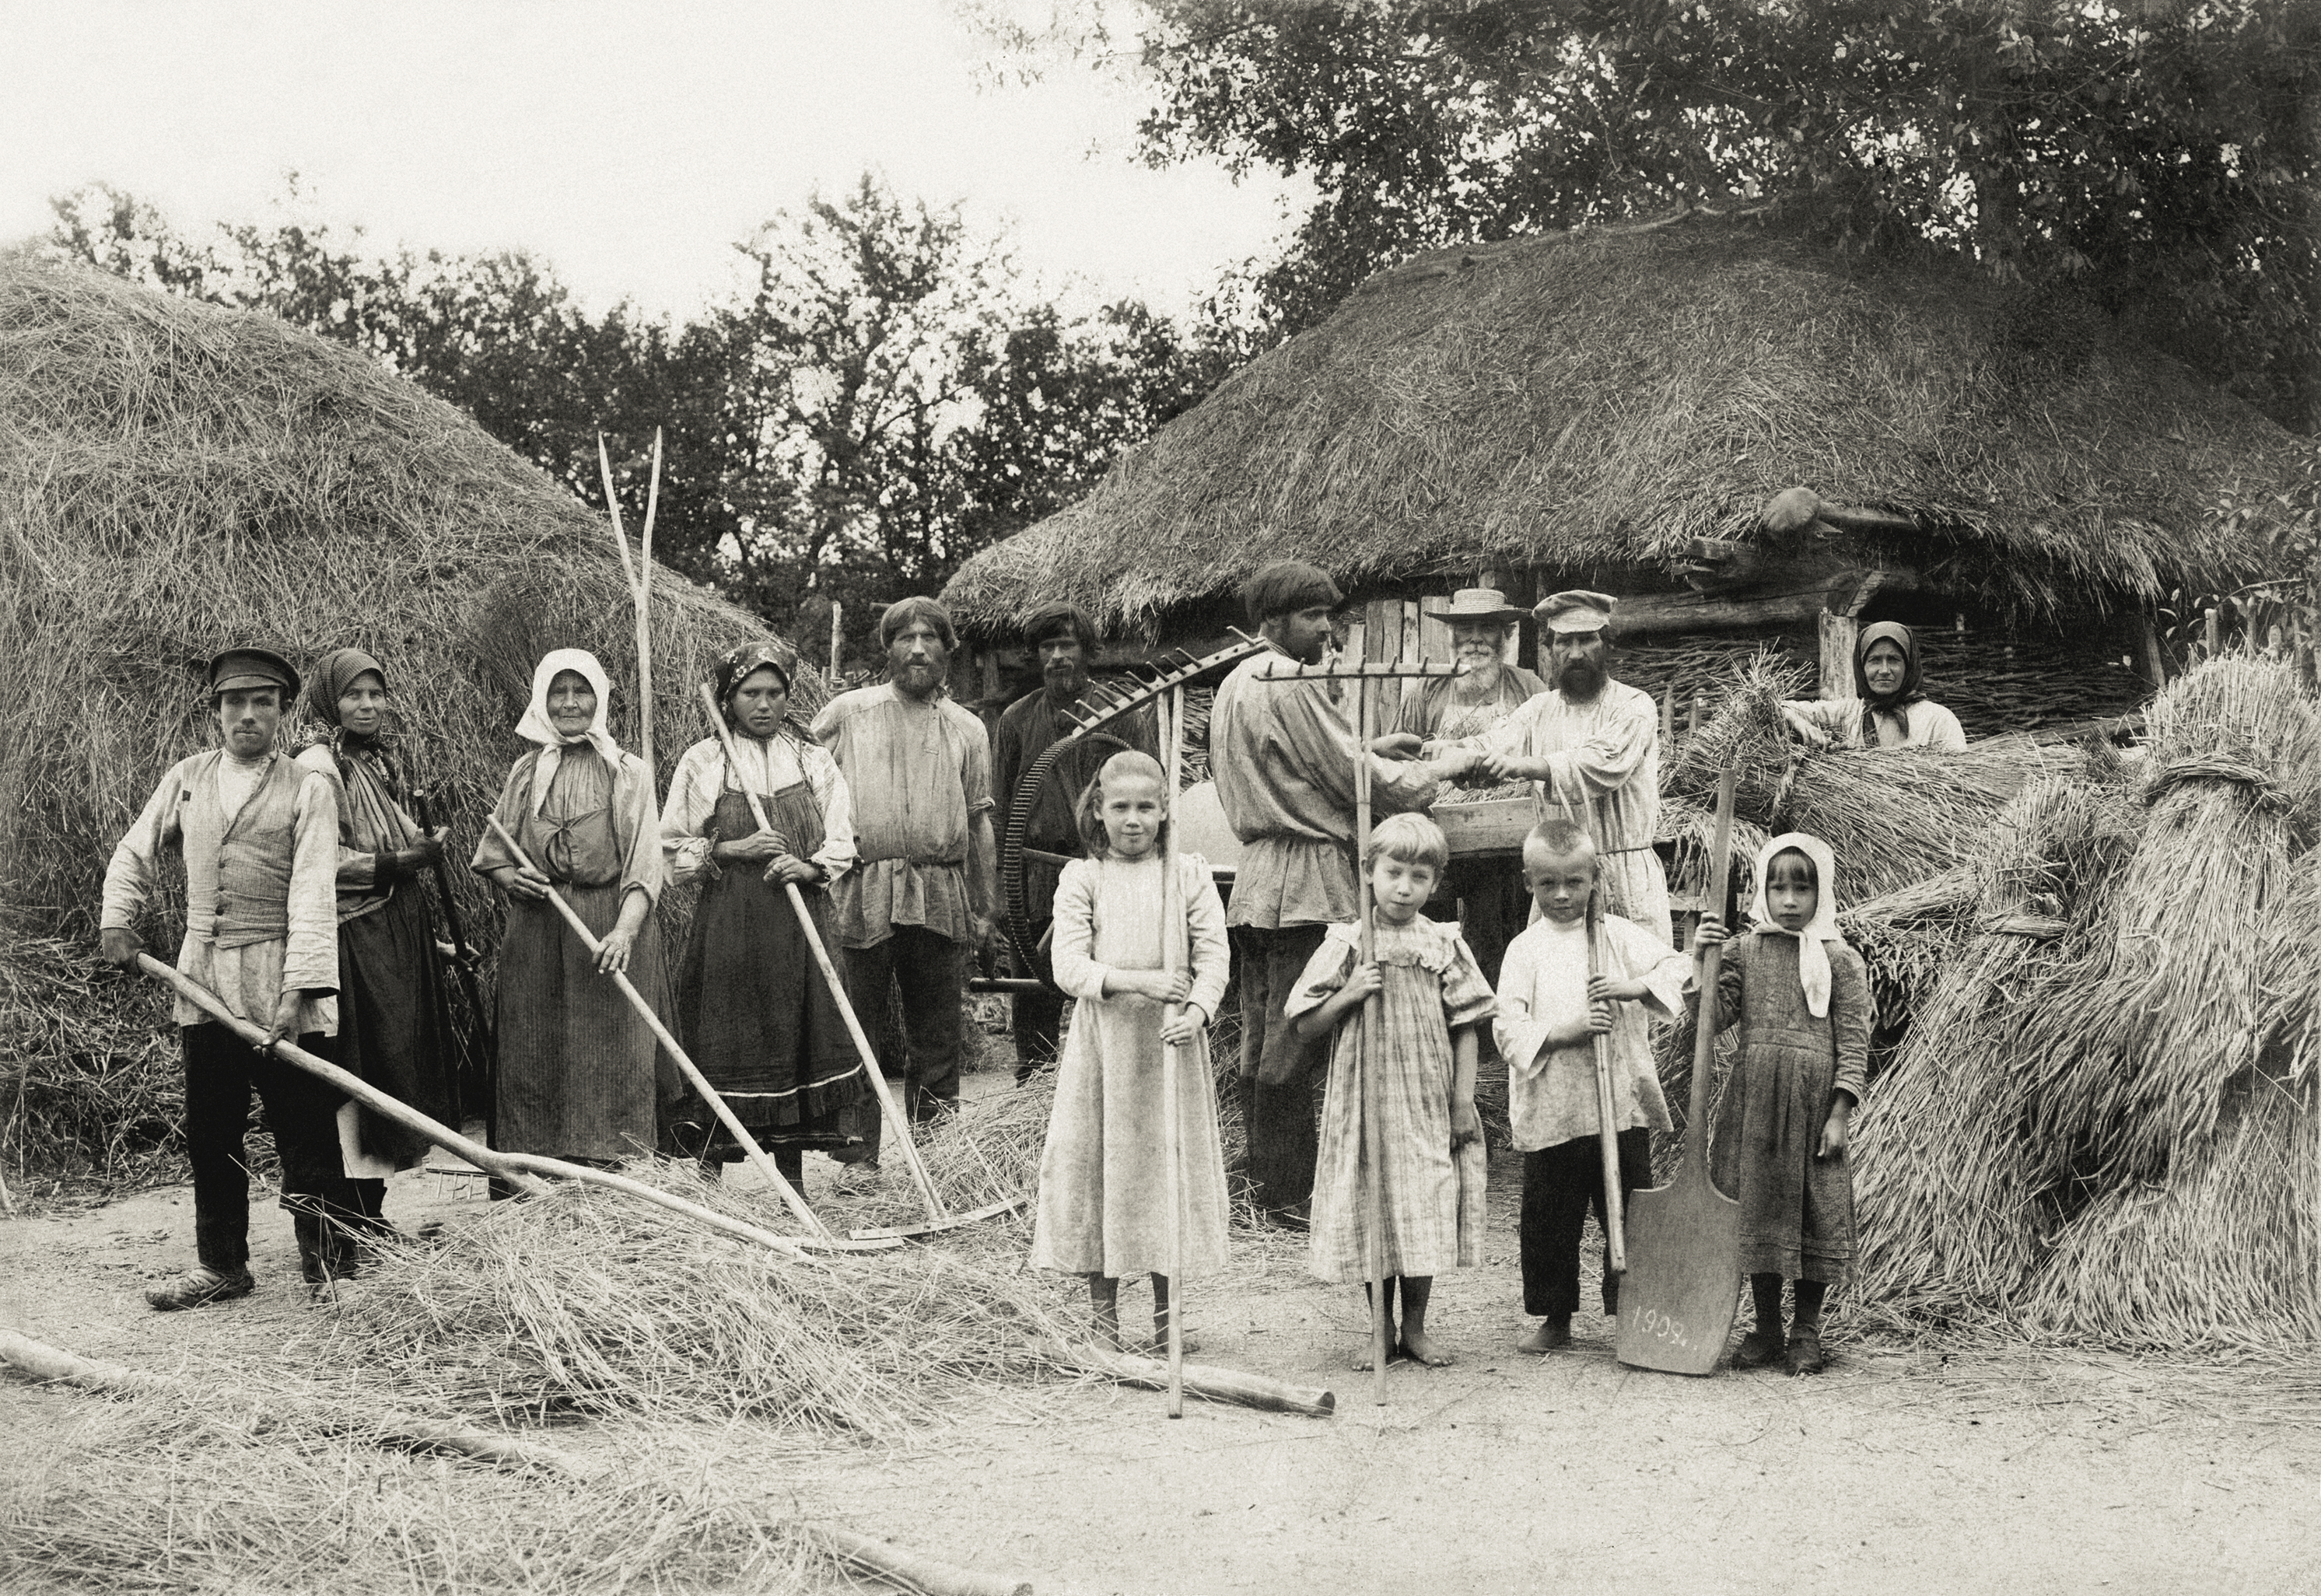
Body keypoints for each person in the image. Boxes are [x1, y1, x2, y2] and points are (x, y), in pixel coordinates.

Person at [100, 647, 353, 1307]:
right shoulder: (187, 778)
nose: (247, 715)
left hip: (280, 973)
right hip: (204, 977)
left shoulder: (308, 787)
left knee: (304, 1127)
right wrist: (117, 919)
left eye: (262, 703)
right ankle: (222, 1266)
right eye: (234, 703)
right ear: (215, 711)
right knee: (212, 1129)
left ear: (282, 711)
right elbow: (134, 850)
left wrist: (298, 991)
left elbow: (313, 893)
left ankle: (328, 1268)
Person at [1210, 561, 1455, 1224]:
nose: (1326, 628)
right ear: (1276, 620)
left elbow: (1290, 759)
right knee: (1297, 1032)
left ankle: (1263, 1178)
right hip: (1306, 879)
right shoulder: (1289, 678)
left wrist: (1374, 745)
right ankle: (1289, 1192)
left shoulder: (1237, 680)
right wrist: (1440, 769)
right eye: (1312, 615)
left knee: (1261, 1033)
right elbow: (1352, 778)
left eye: (1327, 614)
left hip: (1257, 879)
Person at [1029, 750, 1231, 1351]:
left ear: (1166, 810)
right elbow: (1068, 966)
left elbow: (1214, 955)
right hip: (1106, 1048)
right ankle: (1104, 1319)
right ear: (1098, 809)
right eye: (1120, 808)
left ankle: (1168, 1320)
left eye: (1146, 807)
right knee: (1102, 1169)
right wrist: (1141, 982)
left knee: (1165, 1172)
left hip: (1170, 1048)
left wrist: (1196, 1011)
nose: (1134, 820)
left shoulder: (1187, 874)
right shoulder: (1084, 877)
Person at [1286, 813, 1493, 1369]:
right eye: (1393, 873)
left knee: (1423, 1203)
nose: (1404, 888)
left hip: (1426, 1097)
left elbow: (1467, 1026)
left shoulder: (1442, 943)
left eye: (1419, 877)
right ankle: (1379, 1328)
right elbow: (1304, 1024)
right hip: (1366, 1098)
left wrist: (1462, 1101)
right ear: (1368, 872)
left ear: (1436, 883)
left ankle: (1416, 1327)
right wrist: (1350, 991)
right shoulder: (1349, 942)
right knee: (1373, 1204)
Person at [660, 640, 866, 1190]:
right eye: (751, 693)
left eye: (775, 693)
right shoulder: (705, 761)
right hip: (729, 931)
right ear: (729, 699)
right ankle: (708, 1182)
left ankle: (792, 1183)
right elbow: (669, 851)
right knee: (724, 1041)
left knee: (794, 1043)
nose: (764, 704)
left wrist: (809, 867)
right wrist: (732, 849)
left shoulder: (812, 759)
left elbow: (844, 840)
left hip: (799, 931)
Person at [811, 596, 997, 1185]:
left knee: (936, 1030)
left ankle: (936, 1157)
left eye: (929, 638)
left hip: (940, 889)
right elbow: (804, 785)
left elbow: (979, 819)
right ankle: (858, 1157)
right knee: (857, 1026)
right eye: (905, 638)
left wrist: (986, 905)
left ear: (948, 650)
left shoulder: (967, 728)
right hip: (862, 886)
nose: (917, 649)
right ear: (887, 649)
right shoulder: (848, 713)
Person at [1491, 819, 1689, 1352]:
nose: (1562, 895)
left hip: (1619, 1105)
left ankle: (1632, 1312)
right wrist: (1566, 1032)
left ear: (1595, 879)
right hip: (1554, 1110)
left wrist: (1631, 987)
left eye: (1574, 882)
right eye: (1548, 883)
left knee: (1629, 1212)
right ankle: (1555, 1316)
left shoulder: (1616, 936)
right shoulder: (1525, 949)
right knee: (1550, 1219)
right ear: (1528, 882)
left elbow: (1679, 968)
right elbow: (1506, 1027)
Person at [472, 649, 674, 1173]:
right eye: (557, 692)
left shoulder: (627, 772)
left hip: (606, 928)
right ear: (541, 700)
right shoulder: (527, 770)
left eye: (580, 691)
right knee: (534, 1050)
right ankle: (537, 1171)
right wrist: (513, 878)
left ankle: (612, 1173)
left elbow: (644, 866)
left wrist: (623, 933)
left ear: (599, 698)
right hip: (537, 930)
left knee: (611, 1052)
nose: (568, 703)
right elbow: (493, 854)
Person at [1686, 832, 1871, 1377]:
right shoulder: (1746, 950)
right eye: (1778, 888)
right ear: (1762, 892)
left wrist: (1839, 1113)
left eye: (1802, 889)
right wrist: (1701, 958)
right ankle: (1766, 1327)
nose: (1790, 901)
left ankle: (1806, 1330)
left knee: (1815, 1210)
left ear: (1822, 892)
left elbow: (1854, 1043)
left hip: (1812, 1107)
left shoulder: (1841, 961)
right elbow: (1711, 1018)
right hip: (1755, 1103)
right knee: (1755, 1206)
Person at [293, 648, 460, 1248]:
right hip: (356, 938)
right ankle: (350, 1217)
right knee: (362, 1072)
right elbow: (321, 863)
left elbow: (396, 836)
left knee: (393, 1072)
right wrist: (404, 861)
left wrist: (423, 849)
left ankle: (370, 1213)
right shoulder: (318, 768)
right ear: (328, 701)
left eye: (375, 694)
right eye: (353, 695)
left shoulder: (367, 762)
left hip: (393, 937)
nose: (367, 706)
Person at [1431, 590, 1672, 945]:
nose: (1575, 653)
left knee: (1633, 974)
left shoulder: (1634, 705)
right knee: (1555, 973)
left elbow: (1599, 762)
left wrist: (1523, 766)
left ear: (1607, 644)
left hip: (1623, 879)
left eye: (1586, 640)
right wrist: (1450, 752)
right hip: (1559, 882)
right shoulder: (1539, 709)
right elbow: (1496, 741)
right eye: (1563, 642)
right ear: (1549, 648)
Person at [990, 600, 1157, 1083]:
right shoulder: (1017, 720)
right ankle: (1034, 1086)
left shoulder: (1122, 716)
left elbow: (1148, 791)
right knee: (1035, 988)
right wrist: (1000, 885)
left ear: (1088, 651)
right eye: (1048, 647)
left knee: (1112, 983)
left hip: (1109, 874)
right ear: (1036, 655)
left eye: (1068, 645)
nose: (1058, 656)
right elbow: (1002, 806)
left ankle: (1113, 1082)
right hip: (1036, 877)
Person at [1381, 586, 1545, 986]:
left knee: (1507, 931)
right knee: (1439, 938)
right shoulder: (1428, 691)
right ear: (1451, 637)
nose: (1475, 640)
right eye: (1465, 630)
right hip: (1439, 838)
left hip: (1512, 840)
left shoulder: (1528, 688)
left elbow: (1549, 751)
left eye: (1486, 629)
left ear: (1506, 635)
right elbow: (1396, 766)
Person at [1781, 621, 1967, 751]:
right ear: (1862, 667)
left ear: (1909, 666)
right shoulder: (1848, 714)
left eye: (1894, 660)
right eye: (1875, 660)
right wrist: (1801, 723)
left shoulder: (1938, 720)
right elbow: (1776, 707)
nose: (1884, 670)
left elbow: (1960, 783)